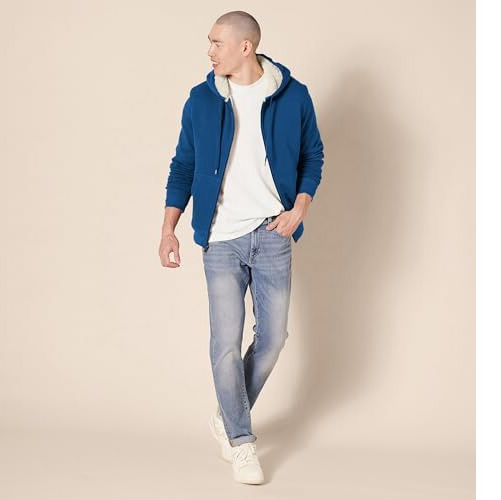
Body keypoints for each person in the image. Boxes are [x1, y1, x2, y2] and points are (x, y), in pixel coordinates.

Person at [158, 10, 324, 485]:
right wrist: (169, 229)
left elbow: (313, 155)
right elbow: (183, 165)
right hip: (221, 239)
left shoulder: (293, 96)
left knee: (273, 340)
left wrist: (299, 209)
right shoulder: (201, 99)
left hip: (273, 235)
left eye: (217, 43)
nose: (209, 51)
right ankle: (241, 441)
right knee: (225, 344)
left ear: (245, 47)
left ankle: (227, 415)